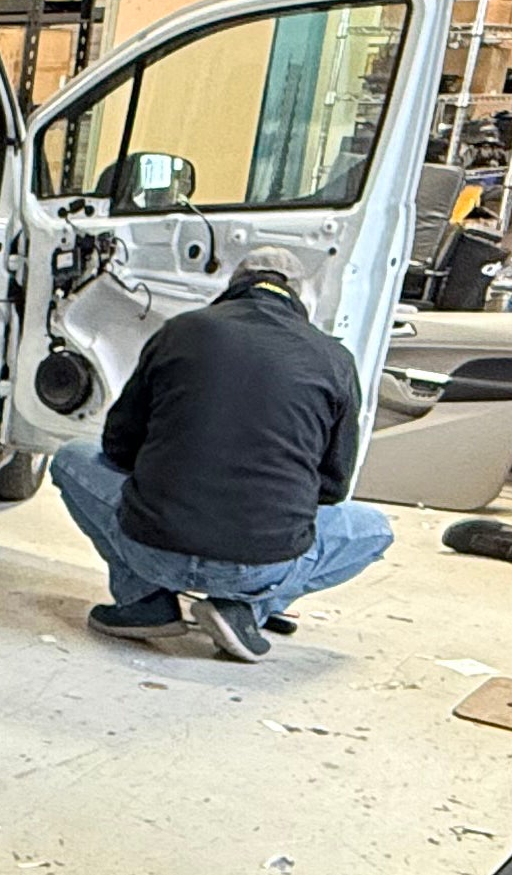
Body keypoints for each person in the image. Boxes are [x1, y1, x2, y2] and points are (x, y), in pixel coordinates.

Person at [51, 244, 393, 661]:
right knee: (375, 529)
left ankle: (143, 600)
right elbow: (334, 487)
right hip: (261, 565)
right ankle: (246, 608)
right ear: (299, 296)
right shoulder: (335, 359)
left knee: (70, 458)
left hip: (152, 548)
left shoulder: (180, 330)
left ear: (234, 285)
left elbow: (118, 446)